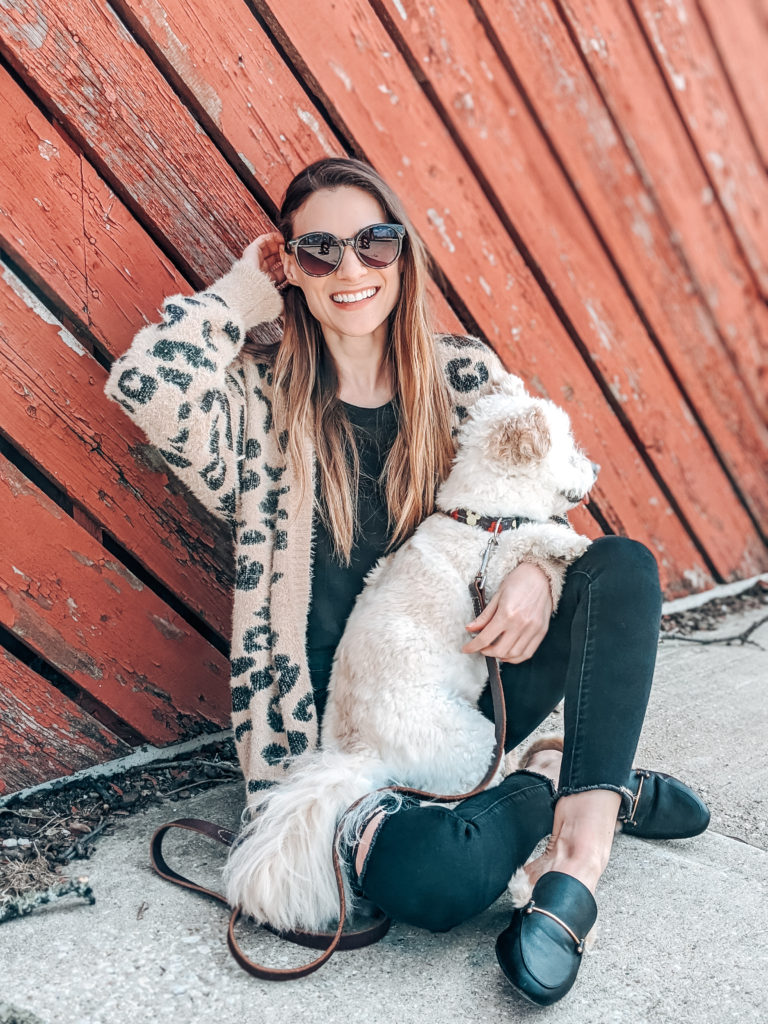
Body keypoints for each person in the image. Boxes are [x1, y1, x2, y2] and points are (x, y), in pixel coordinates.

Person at [105, 157, 709, 1005]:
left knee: (623, 569)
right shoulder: (257, 406)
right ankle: (565, 777)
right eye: (318, 252)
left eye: (373, 242)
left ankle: (581, 854)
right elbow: (147, 387)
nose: (350, 269)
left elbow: (538, 491)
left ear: (403, 253)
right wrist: (242, 296)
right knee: (438, 884)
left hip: (469, 688)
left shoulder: (459, 376)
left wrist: (536, 565)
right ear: (293, 270)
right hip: (338, 753)